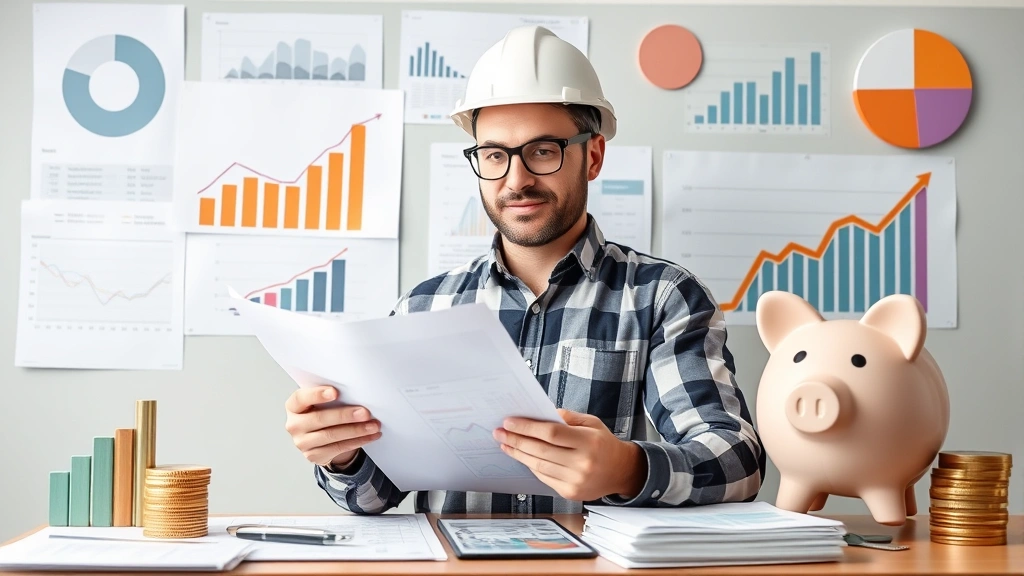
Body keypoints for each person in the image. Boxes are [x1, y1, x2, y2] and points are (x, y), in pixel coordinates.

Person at [284, 25, 765, 514]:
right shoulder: (425, 307)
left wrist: (627, 468)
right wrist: (343, 454)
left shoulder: (662, 296)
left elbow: (739, 460)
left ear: (592, 156)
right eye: (494, 154)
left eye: (542, 151)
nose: (516, 180)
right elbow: (373, 497)